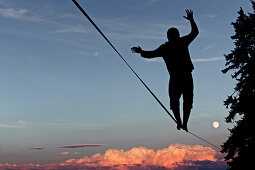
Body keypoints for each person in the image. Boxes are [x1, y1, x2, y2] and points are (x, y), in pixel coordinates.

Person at [131, 10, 199, 132]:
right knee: (185, 101)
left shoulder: (167, 47)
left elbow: (150, 54)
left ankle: (181, 122)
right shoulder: (179, 43)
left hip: (178, 77)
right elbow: (195, 32)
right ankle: (182, 122)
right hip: (185, 77)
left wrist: (141, 52)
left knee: (177, 101)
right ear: (176, 35)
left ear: (168, 37)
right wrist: (191, 20)